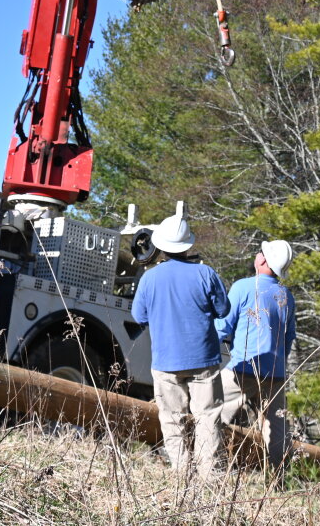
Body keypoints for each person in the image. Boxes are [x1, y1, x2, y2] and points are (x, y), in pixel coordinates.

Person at [131, 201, 231, 475]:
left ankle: (181, 472)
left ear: (160, 246)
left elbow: (139, 316)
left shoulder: (149, 278)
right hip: (204, 359)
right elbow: (223, 309)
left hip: (165, 361)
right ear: (187, 245)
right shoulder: (205, 273)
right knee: (208, 417)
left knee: (172, 419)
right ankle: (210, 476)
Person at [218, 239, 298, 469]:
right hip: (276, 372)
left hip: (243, 368)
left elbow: (222, 327)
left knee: (211, 416)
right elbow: (289, 337)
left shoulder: (243, 287)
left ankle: (205, 470)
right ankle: (280, 478)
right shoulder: (286, 296)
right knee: (277, 430)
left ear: (262, 259)